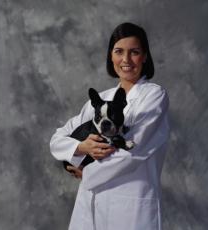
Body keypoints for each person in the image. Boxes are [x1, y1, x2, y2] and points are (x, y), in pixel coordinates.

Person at [50, 22, 169, 230]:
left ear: (145, 57)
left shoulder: (154, 96)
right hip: (90, 205)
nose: (126, 60)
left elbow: (134, 151)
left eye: (134, 52)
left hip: (130, 206)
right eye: (118, 52)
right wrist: (81, 148)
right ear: (111, 56)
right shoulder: (99, 101)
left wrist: (86, 173)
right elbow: (58, 139)